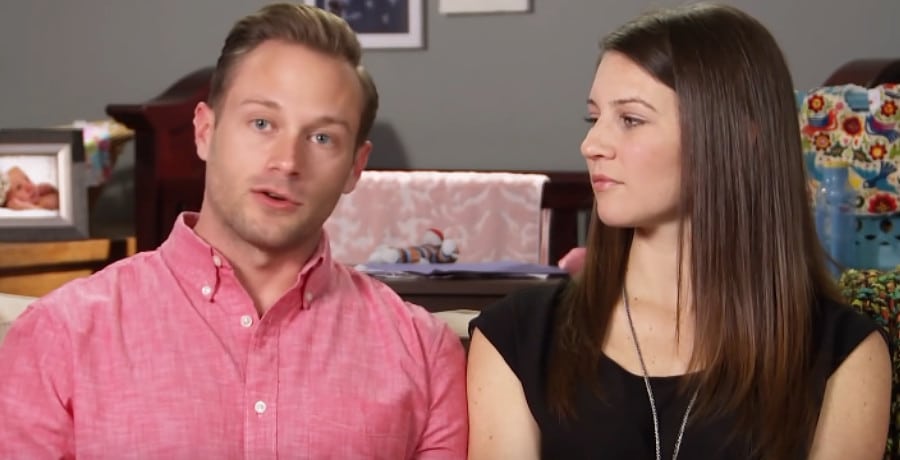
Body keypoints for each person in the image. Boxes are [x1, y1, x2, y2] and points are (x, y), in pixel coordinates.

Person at [0, 3, 467, 458]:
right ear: (205, 131)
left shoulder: (423, 353)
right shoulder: (61, 334)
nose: (287, 161)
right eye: (262, 123)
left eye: (322, 137)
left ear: (354, 168)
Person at [466, 3, 891, 460]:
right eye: (594, 118)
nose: (591, 146)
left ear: (738, 138)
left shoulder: (844, 355)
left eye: (630, 120)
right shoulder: (517, 337)